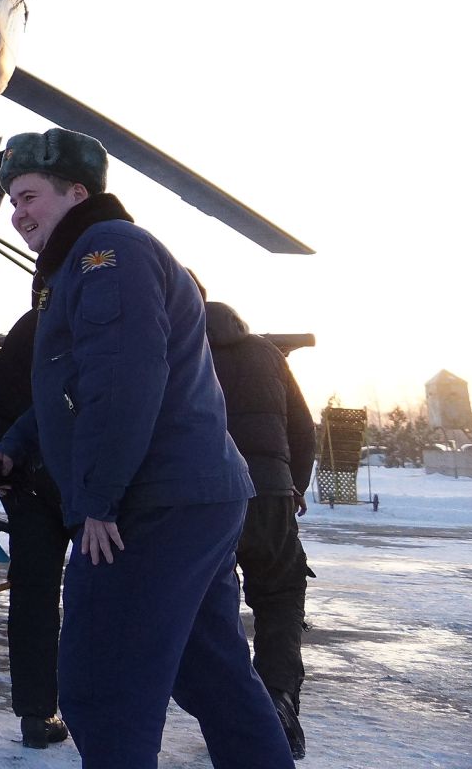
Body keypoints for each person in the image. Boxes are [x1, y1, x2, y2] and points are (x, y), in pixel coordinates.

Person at [0, 129, 293, 768]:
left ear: (78, 192)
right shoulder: (84, 260)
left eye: (29, 196)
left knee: (103, 685)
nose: (18, 214)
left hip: (148, 504)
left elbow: (122, 380)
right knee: (210, 673)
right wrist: (11, 451)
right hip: (191, 498)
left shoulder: (108, 251)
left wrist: (99, 497)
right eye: (12, 201)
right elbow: (69, 389)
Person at [0, 307, 71, 749]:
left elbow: (3, 407)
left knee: (32, 602)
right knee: (97, 597)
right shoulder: (96, 315)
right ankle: (93, 705)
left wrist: (6, 469)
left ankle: (36, 715)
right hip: (85, 485)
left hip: (27, 484)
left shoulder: (25, 328)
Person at [207, 299, 316, 759]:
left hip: (207, 495)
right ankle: (279, 700)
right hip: (271, 493)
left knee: (209, 606)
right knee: (279, 596)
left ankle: (232, 712)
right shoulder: (267, 353)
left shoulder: (177, 345)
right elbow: (304, 430)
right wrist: (293, 489)